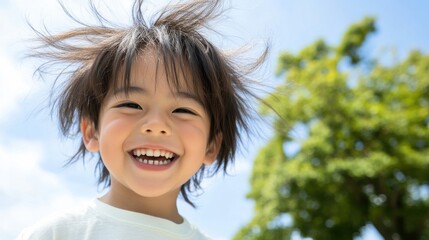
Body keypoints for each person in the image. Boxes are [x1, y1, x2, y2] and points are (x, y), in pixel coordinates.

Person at [18, 0, 267, 239]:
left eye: (183, 110)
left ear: (212, 145)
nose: (156, 125)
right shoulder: (53, 235)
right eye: (131, 105)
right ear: (92, 131)